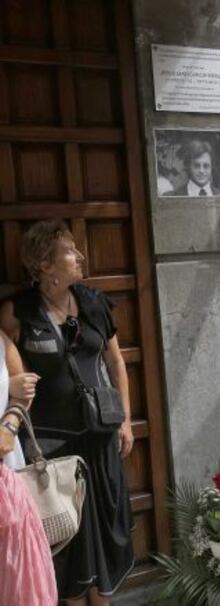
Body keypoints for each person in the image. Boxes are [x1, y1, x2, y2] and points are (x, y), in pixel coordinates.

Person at [0, 221, 135, 606]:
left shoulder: (93, 301)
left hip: (101, 436)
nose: (80, 256)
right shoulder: (18, 311)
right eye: (70, 250)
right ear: (44, 264)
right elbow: (7, 368)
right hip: (53, 445)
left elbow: (116, 361)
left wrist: (125, 419)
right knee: (70, 542)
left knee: (107, 535)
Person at [0, 329, 58, 606]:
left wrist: (9, 425)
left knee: (15, 573)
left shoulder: (0, 339)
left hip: (7, 476)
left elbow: (24, 391)